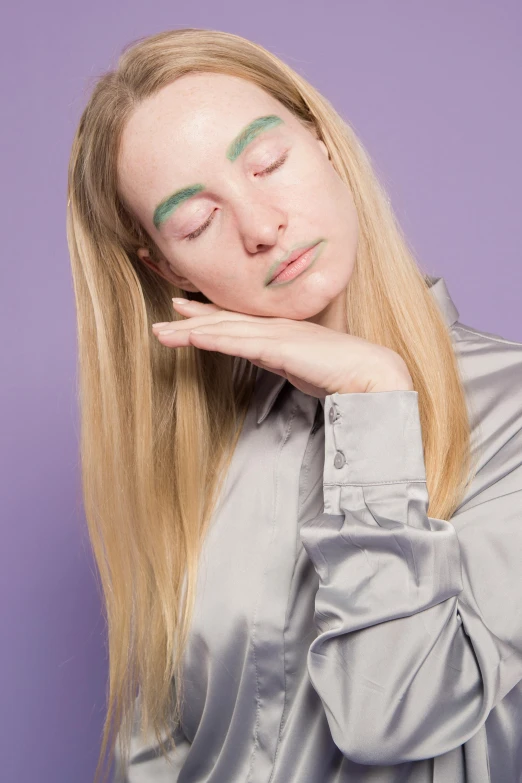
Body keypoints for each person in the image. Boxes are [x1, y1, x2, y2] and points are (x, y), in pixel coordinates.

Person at [66, 28, 522, 783]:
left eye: (267, 162)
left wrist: (375, 398)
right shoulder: (194, 454)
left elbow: (396, 716)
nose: (260, 226)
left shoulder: (511, 409)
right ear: (165, 264)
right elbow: (156, 747)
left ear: (324, 143)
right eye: (195, 221)